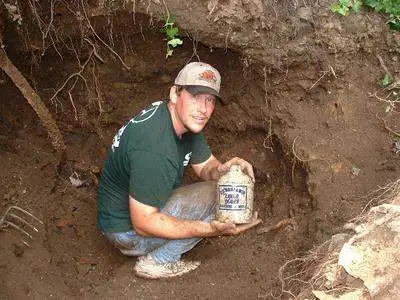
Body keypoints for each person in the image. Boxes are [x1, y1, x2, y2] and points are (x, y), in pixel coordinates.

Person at [97, 62, 262, 279]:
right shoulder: (154, 149)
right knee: (219, 196)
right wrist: (210, 230)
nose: (203, 108)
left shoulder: (178, 118)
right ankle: (159, 261)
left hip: (129, 214)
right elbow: (144, 224)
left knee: (223, 188)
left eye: (210, 100)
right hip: (127, 231)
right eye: (195, 96)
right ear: (175, 93)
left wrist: (225, 170)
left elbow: (206, 167)